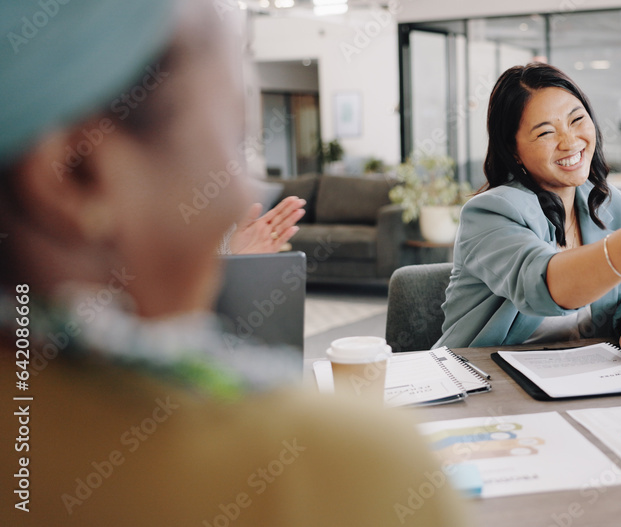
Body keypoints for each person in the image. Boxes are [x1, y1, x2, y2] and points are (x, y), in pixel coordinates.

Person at [0, 1, 466, 525]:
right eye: (232, 137)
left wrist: (226, 261)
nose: (243, 189)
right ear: (76, 173)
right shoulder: (349, 467)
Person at [435, 63, 621, 363]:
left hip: (588, 378)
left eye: (577, 120)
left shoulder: (608, 202)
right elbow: (543, 286)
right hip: (489, 380)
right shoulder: (489, 213)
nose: (570, 141)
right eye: (546, 132)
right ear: (513, 150)